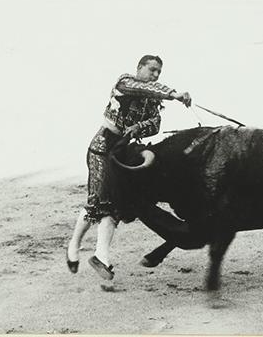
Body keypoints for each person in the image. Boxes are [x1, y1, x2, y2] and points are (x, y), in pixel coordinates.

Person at [66, 55, 192, 280]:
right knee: (97, 202)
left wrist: (138, 126)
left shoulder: (151, 98)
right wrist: (174, 94)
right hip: (103, 147)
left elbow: (155, 124)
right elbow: (144, 88)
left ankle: (100, 257)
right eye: (152, 70)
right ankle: (75, 246)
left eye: (158, 73)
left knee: (114, 204)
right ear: (139, 68)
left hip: (124, 150)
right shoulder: (125, 82)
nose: (155, 75)